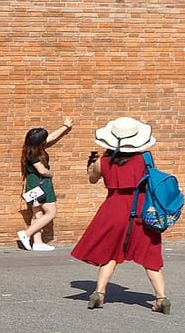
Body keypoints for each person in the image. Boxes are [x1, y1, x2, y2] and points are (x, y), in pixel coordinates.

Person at [70, 116, 172, 313]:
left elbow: (92, 180)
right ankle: (161, 298)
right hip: (142, 210)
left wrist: (93, 167)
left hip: (113, 209)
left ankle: (99, 293)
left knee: (110, 253)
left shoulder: (103, 161)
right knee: (150, 256)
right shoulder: (145, 158)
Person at [17, 119, 73, 251]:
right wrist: (51, 173)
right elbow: (42, 170)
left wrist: (65, 127)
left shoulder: (31, 149)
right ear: (39, 141)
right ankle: (26, 234)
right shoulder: (34, 154)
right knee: (51, 212)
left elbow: (51, 137)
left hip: (32, 184)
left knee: (37, 214)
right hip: (41, 183)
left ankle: (37, 243)